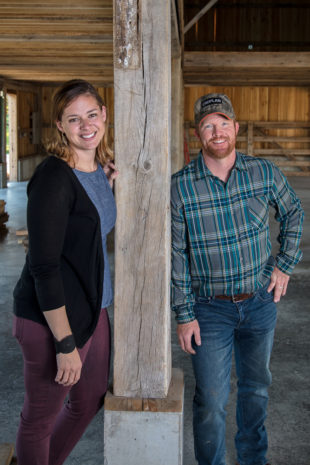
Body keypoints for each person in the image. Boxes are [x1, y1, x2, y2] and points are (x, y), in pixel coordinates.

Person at [171, 93, 304, 465]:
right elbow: (176, 255)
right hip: (209, 309)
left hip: (260, 302)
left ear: (236, 127)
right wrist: (184, 314)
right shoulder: (180, 187)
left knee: (256, 388)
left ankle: (252, 459)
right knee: (211, 399)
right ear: (197, 133)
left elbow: (293, 211)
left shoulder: (262, 172)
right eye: (208, 125)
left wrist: (285, 264)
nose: (217, 132)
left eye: (223, 123)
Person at [13, 79, 118, 465]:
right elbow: (44, 266)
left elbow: (85, 224)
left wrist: (105, 185)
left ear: (104, 115)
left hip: (93, 307)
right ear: (60, 125)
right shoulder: (53, 178)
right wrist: (65, 344)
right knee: (39, 419)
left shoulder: (96, 172)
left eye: (92, 114)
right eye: (74, 119)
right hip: (52, 319)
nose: (85, 125)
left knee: (89, 398)